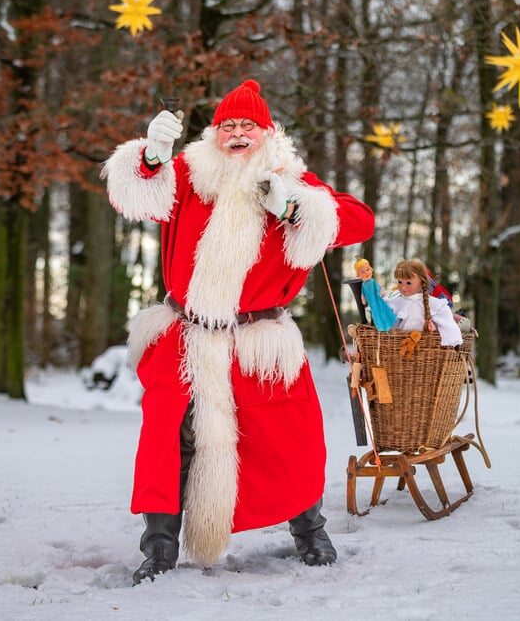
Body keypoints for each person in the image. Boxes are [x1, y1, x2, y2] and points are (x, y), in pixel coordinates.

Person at [100, 79, 375, 584]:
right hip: (186, 337)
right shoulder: (187, 173)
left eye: (249, 125)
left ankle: (310, 530)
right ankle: (159, 548)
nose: (237, 133)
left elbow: (359, 221)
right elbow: (136, 193)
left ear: (267, 132)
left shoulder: (289, 177)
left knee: (290, 438)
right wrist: (152, 156)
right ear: (214, 133)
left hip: (259, 343)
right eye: (228, 125)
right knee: (169, 443)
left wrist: (295, 206)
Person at [385, 259, 463, 346]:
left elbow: (447, 324)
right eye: (400, 282)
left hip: (425, 348)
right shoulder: (394, 302)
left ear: (421, 282)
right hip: (397, 346)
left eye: (408, 283)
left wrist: (452, 340)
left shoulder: (434, 304)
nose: (403, 287)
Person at [353, 257, 397, 331]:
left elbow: (379, 288)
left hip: (377, 300)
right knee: (376, 315)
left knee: (383, 310)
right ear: (358, 274)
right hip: (371, 303)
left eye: (367, 270)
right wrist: (363, 298)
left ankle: (389, 324)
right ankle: (382, 327)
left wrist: (382, 292)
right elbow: (363, 292)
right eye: (362, 272)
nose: (366, 273)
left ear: (370, 269)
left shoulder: (372, 282)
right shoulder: (363, 284)